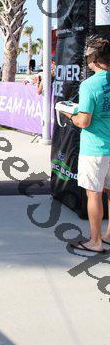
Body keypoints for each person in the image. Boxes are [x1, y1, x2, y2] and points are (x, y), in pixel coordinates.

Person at [62, 36, 110, 254]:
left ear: (94, 57)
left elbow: (83, 121)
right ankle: (108, 235)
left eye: (87, 56)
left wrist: (68, 113)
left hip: (95, 148)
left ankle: (95, 241)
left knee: (94, 194)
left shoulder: (90, 84)